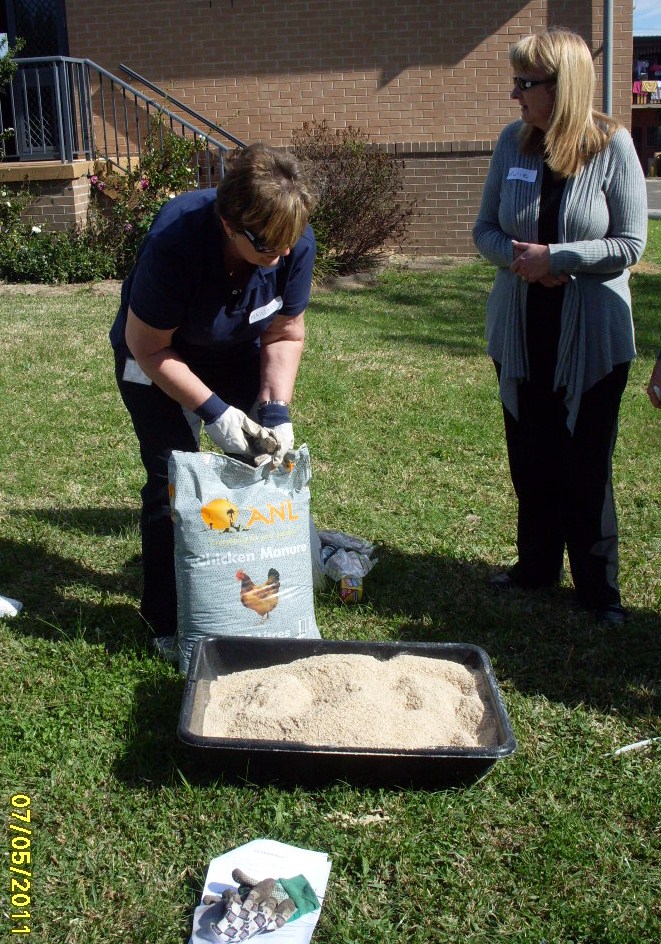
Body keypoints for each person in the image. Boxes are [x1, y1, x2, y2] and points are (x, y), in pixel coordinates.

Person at [473, 28, 647, 627]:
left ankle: (600, 594)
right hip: (521, 328)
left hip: (592, 338)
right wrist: (523, 263)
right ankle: (535, 569)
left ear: (562, 87)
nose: (515, 94)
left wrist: (559, 259)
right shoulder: (511, 145)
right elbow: (485, 232)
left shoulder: (613, 146)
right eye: (517, 80)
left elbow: (629, 244)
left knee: (586, 461)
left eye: (526, 83)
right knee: (531, 452)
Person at [110, 143, 316, 638]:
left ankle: (235, 601)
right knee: (172, 481)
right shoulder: (177, 240)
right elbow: (148, 346)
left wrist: (274, 409)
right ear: (229, 224)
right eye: (269, 248)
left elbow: (285, 331)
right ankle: (165, 623)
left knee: (256, 469)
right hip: (154, 358)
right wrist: (216, 413)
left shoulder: (289, 240)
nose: (282, 256)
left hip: (234, 353)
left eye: (290, 243)